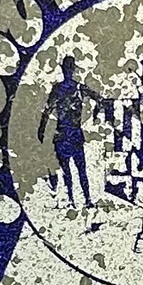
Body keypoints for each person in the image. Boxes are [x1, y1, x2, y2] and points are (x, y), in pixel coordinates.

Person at [38, 55, 100, 208]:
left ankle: (77, 200)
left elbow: (47, 111)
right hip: (70, 134)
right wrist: (96, 114)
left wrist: (41, 129)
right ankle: (83, 200)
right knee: (77, 170)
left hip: (65, 134)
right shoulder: (76, 88)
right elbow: (99, 99)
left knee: (73, 170)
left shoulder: (62, 89)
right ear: (73, 69)